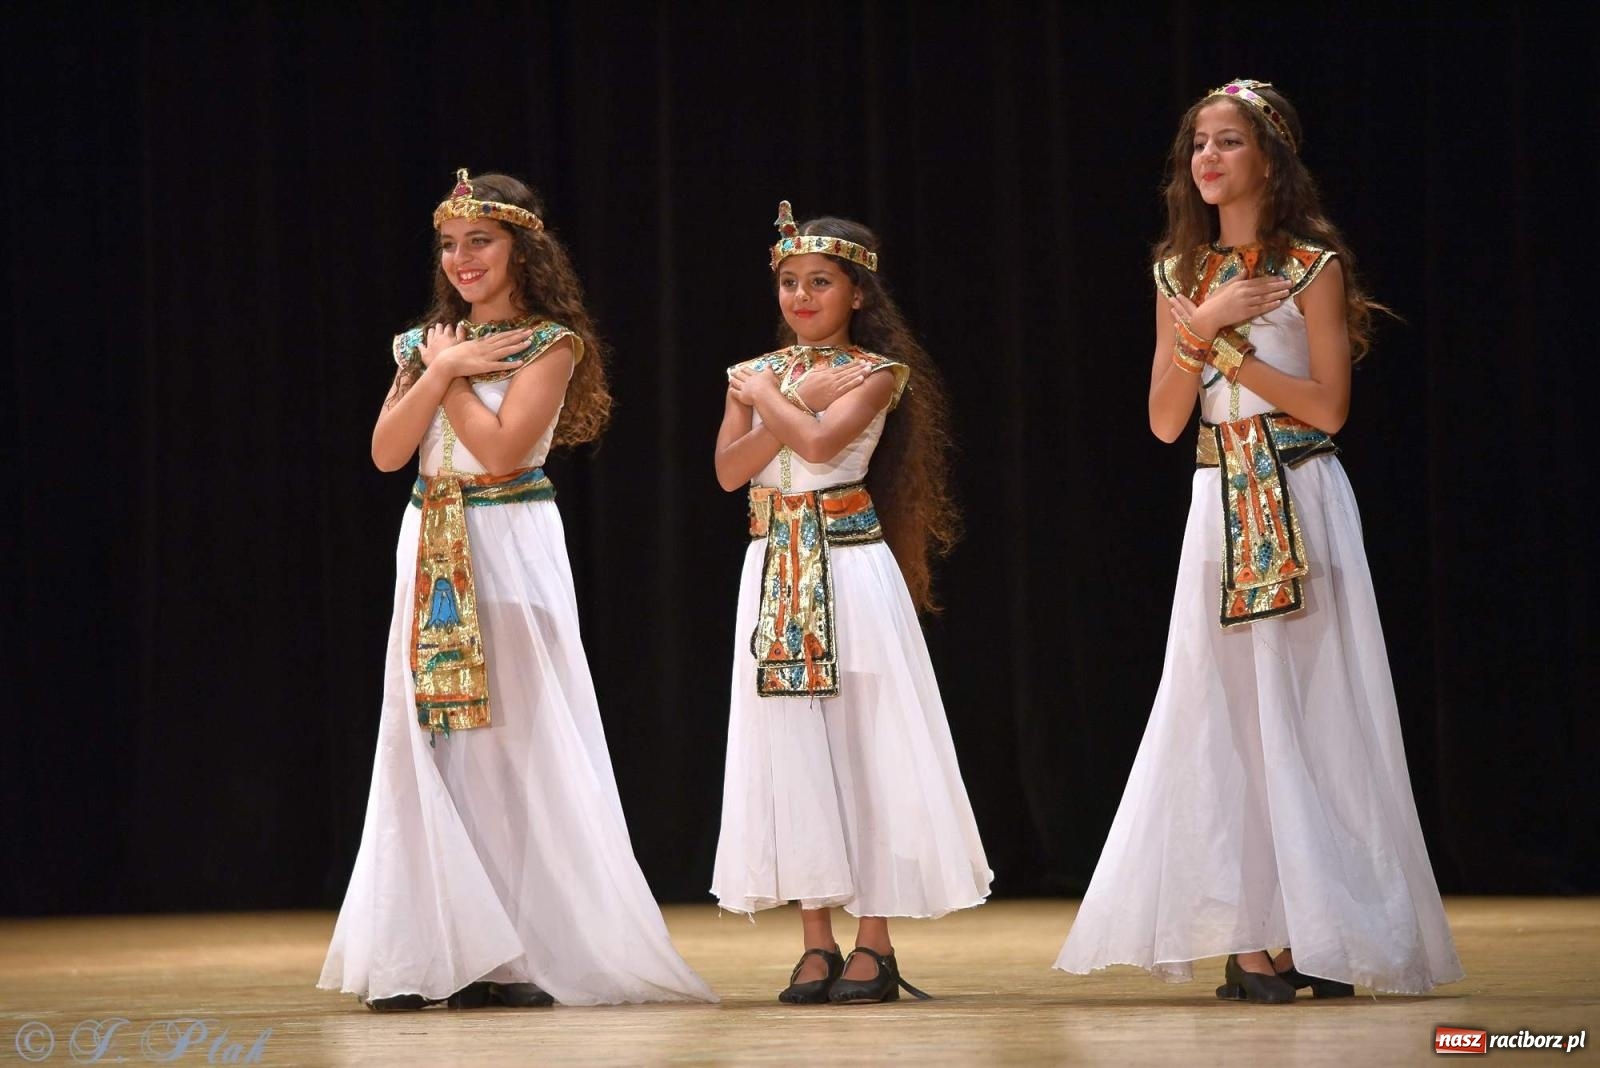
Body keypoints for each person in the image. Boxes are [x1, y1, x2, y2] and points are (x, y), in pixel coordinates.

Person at [1055, 81, 1463, 1002]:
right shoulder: (1176, 278)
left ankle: (1324, 931)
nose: (1208, 157)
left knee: (1317, 710)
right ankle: (1250, 939)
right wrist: (1202, 323)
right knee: (1231, 716)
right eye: (1199, 143)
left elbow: (1328, 407)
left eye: (1229, 141)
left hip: (1301, 492)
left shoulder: (1312, 267)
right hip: (1220, 500)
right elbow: (1165, 420)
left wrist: (1233, 350)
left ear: (1269, 160)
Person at [319, 170, 715, 1011]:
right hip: (431, 542)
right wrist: (439, 367)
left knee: (510, 746)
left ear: (521, 251)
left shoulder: (549, 345)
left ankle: (516, 954)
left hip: (505, 542)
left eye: (481, 242)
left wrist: (453, 374)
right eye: (449, 245)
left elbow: (501, 453)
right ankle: (428, 954)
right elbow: (388, 454)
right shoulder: (424, 345)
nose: (462, 258)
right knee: (428, 740)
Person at [711, 201, 992, 1005]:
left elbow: (821, 444)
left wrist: (781, 402)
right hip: (774, 569)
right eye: (790, 282)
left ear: (857, 292)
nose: (801, 297)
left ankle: (874, 941)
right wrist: (786, 397)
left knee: (867, 748)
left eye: (820, 283)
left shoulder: (874, 373)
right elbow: (730, 473)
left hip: (847, 568)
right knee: (793, 750)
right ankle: (815, 941)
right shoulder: (753, 373)